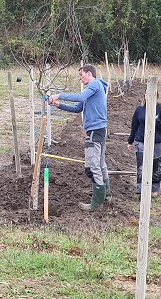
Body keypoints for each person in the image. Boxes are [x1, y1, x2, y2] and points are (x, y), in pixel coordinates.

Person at [48, 64, 110, 211]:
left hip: (95, 131)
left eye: (81, 75)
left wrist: (59, 94)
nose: (80, 79)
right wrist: (58, 105)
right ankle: (107, 196)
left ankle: (96, 203)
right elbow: (78, 108)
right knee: (100, 164)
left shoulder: (94, 84)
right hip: (100, 130)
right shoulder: (94, 89)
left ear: (89, 74)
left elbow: (81, 96)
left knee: (92, 167)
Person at [127, 92, 161, 197]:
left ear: (156, 96)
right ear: (144, 96)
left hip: (156, 142)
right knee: (141, 165)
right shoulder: (139, 109)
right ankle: (141, 188)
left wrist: (156, 121)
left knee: (156, 165)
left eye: (151, 94)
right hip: (141, 141)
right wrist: (130, 141)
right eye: (147, 94)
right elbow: (134, 126)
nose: (148, 96)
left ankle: (154, 189)